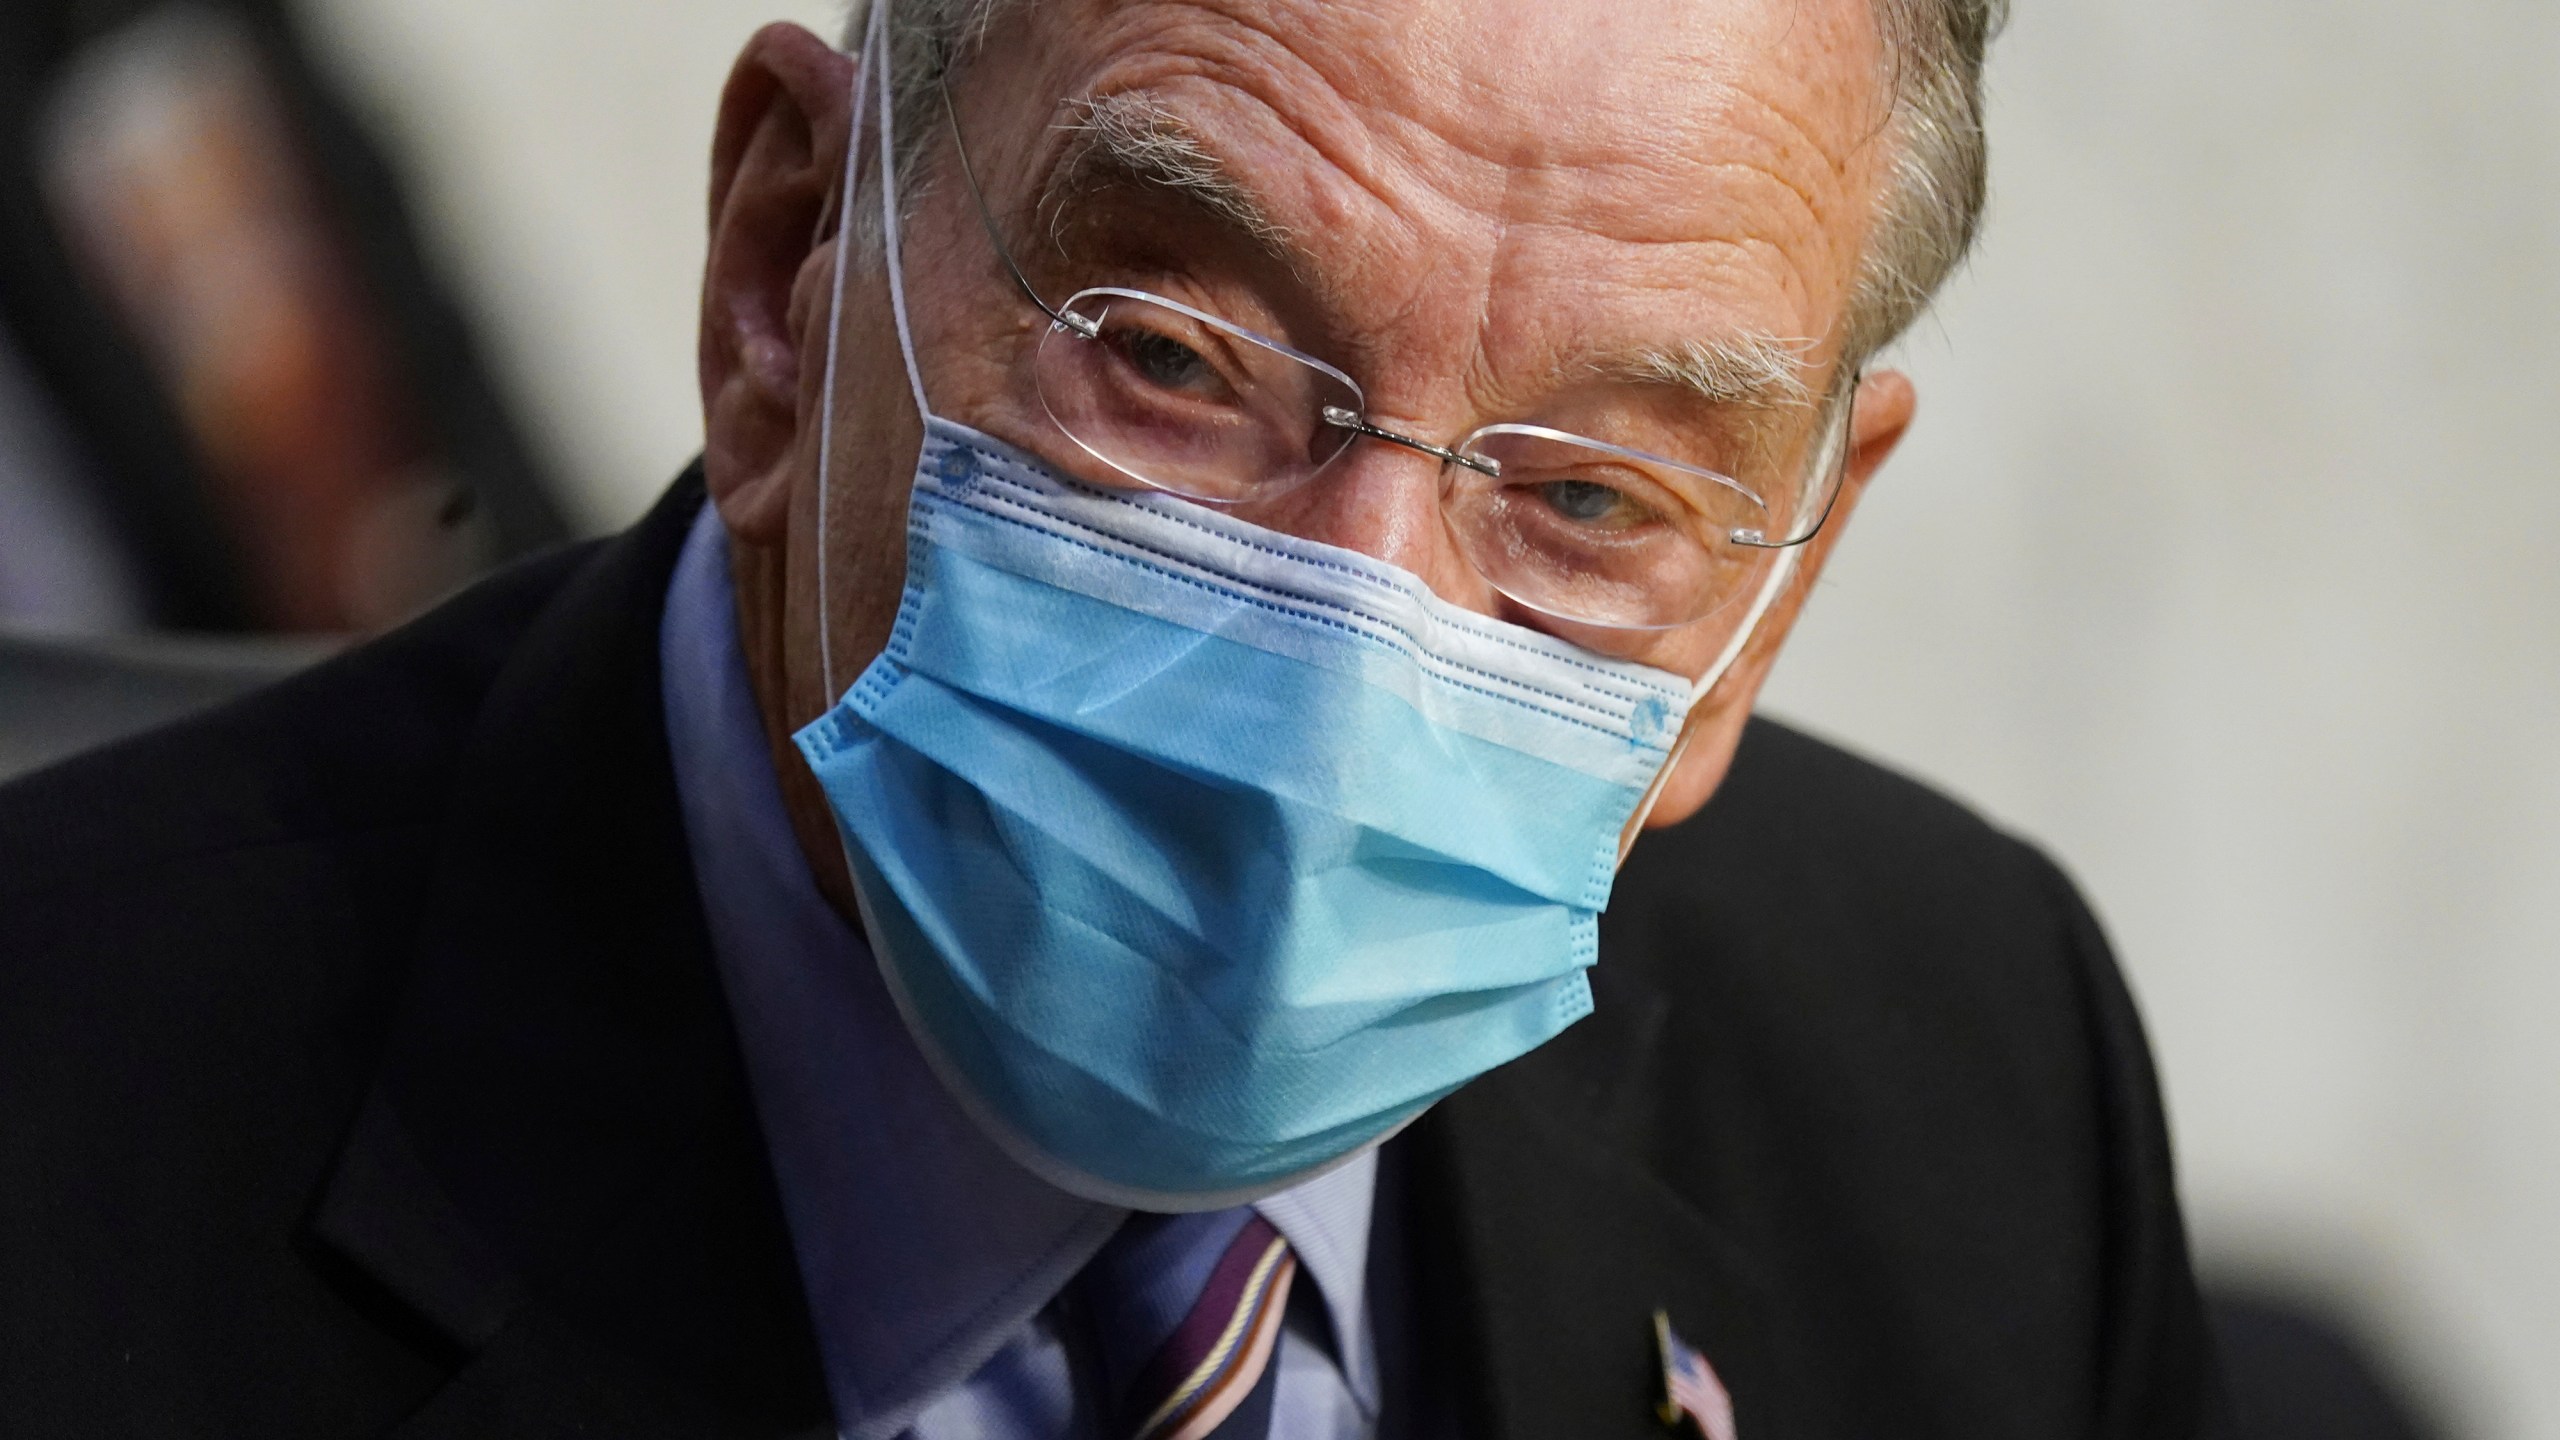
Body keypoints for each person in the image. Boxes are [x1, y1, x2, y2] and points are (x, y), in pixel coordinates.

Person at [0, 0, 2224, 1435]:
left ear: (1777, 582)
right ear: (787, 275)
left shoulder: (1965, 1085)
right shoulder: (68, 1138)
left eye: (1581, 497)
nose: (1352, 648)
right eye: (1171, 357)